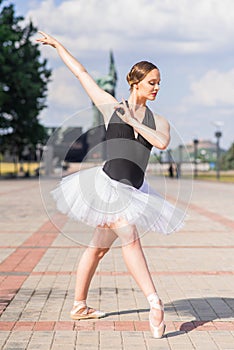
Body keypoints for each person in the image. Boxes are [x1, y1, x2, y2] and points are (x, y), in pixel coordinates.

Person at [37, 31, 185, 339]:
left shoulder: (161, 121)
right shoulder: (110, 106)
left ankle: (79, 305)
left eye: (159, 83)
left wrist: (133, 122)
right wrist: (59, 46)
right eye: (151, 82)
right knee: (129, 235)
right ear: (135, 82)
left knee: (97, 249)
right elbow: (82, 74)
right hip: (107, 187)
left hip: (135, 190)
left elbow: (161, 143)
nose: (157, 88)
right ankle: (154, 302)